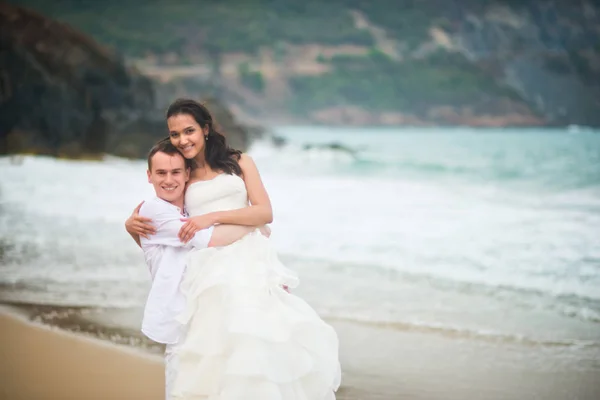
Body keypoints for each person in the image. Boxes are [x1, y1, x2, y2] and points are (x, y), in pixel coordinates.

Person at [126, 98, 341, 400]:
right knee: (215, 351)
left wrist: (213, 217)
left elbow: (264, 213)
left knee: (260, 346)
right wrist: (131, 226)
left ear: (205, 129)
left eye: (189, 131)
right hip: (209, 269)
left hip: (252, 262)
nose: (183, 140)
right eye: (175, 134)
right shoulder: (182, 174)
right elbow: (166, 227)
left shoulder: (240, 162)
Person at [137, 140, 262, 399]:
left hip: (200, 314)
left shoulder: (184, 210)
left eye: (175, 172)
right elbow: (209, 239)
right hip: (179, 320)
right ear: (149, 176)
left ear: (186, 175)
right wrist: (255, 224)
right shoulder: (153, 211)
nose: (169, 180)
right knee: (182, 390)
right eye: (161, 173)